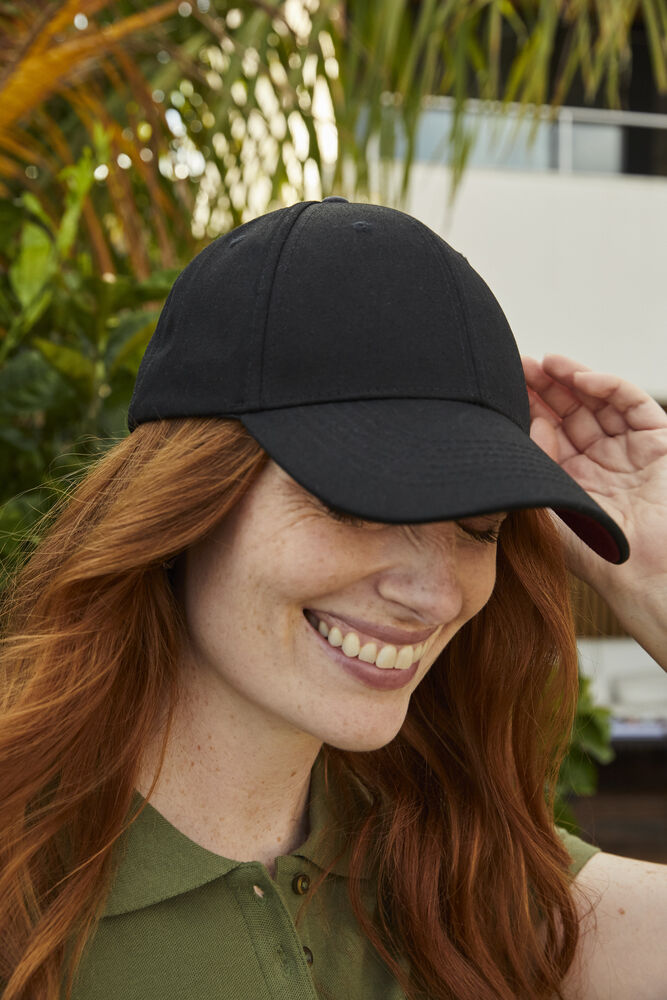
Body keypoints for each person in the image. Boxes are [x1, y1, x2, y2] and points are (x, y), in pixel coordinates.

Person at [0, 198, 665, 1000]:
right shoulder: (22, 883)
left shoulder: (464, 883)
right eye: (358, 504)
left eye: (479, 527)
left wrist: (656, 581)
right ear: (183, 502)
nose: (433, 593)